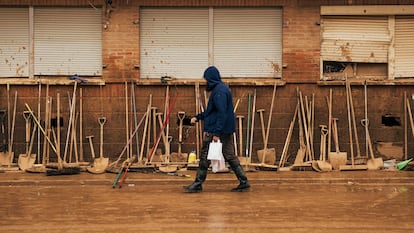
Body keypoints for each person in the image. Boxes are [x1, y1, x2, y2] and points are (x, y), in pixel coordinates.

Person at [183, 66, 250, 192]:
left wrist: (216, 133)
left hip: (216, 130)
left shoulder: (219, 92)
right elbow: (211, 112)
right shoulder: (221, 89)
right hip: (224, 129)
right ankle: (243, 180)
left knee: (204, 156)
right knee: (229, 155)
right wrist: (197, 118)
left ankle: (198, 183)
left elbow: (221, 113)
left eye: (207, 80)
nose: (206, 82)